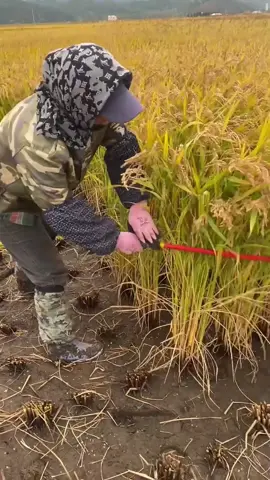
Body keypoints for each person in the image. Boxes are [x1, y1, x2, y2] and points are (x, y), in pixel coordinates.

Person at [0, 43, 158, 364]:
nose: (110, 117)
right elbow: (62, 210)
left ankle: (25, 274)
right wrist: (114, 239)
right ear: (80, 101)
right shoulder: (38, 140)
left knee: (43, 237)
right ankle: (59, 343)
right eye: (105, 110)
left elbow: (124, 146)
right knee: (50, 270)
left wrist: (136, 204)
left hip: (43, 191)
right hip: (10, 199)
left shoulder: (88, 111)